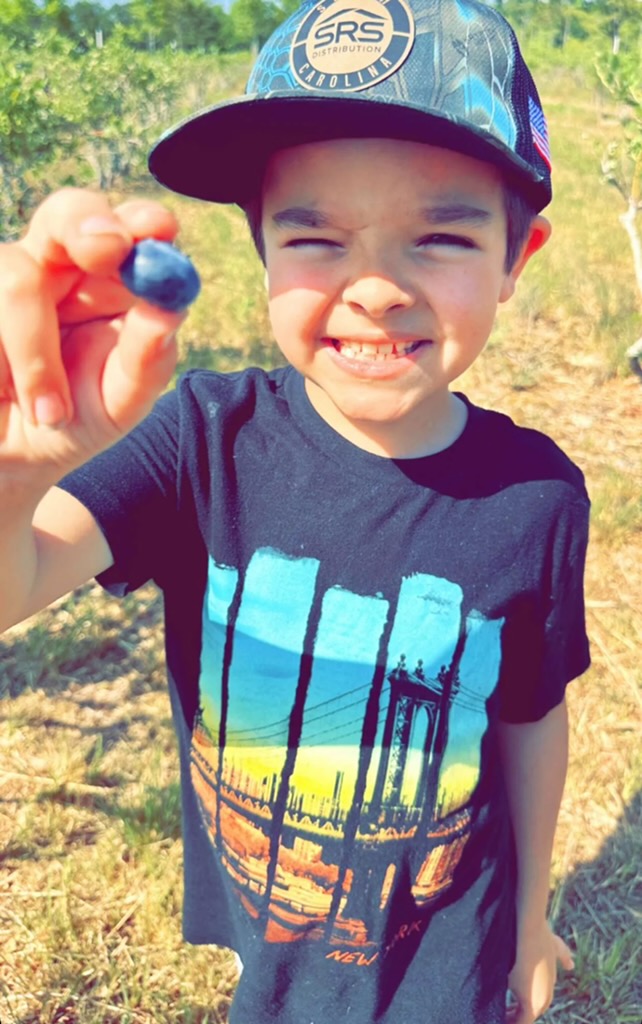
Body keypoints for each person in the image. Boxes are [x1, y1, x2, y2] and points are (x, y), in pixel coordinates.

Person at [0, 0, 589, 1021]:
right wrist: (16, 477)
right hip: (270, 938)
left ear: (516, 257)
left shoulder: (536, 497)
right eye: (314, 236)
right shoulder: (201, 440)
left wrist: (532, 912)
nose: (373, 289)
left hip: (451, 960)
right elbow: (24, 575)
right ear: (260, 247)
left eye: (442, 236)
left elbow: (533, 716)